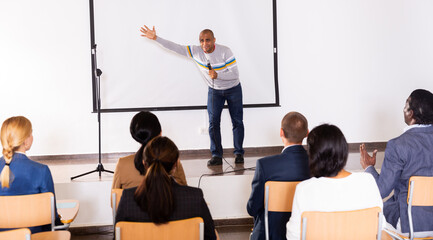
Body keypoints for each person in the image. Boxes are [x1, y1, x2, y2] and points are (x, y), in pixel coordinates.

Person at [140, 25, 244, 166]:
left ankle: (239, 153)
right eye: (201, 40)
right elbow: (175, 47)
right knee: (213, 124)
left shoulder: (225, 51)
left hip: (233, 89)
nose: (204, 44)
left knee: (237, 121)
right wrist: (156, 38)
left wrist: (218, 75)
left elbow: (235, 74)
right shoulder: (195, 51)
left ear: (214, 40)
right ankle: (217, 155)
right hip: (214, 91)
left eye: (207, 40)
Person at [286, 124, 383, 240]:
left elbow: (294, 236)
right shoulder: (367, 181)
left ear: (312, 156)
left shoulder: (304, 189)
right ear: (344, 150)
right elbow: (380, 228)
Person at [360, 89, 433, 237]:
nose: (403, 109)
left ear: (410, 113)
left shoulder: (398, 145)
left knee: (367, 220)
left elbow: (381, 191)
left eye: (406, 105)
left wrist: (369, 168)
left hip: (409, 223)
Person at [115, 136, 216, 240]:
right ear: (176, 165)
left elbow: (118, 237)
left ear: (144, 164)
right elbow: (210, 237)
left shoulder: (128, 199)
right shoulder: (195, 197)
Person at [247, 112, 310, 240]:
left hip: (270, 234)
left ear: (281, 132)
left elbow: (252, 209)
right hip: (304, 233)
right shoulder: (317, 164)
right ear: (307, 133)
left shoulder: (265, 165)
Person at [0, 116, 62, 233]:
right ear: (25, 140)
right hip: (35, 236)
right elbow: (51, 216)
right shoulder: (41, 171)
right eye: (31, 133)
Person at [112, 111, 187, 189]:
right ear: (160, 133)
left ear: (134, 135)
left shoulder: (123, 164)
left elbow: (114, 198)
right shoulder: (173, 161)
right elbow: (185, 194)